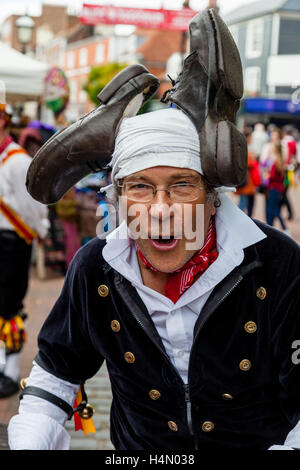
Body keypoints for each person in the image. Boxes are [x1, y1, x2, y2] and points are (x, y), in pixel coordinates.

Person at [8, 9, 300, 451]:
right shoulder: (95, 268)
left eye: (181, 186)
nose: (160, 210)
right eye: (140, 188)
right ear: (118, 197)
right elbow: (56, 371)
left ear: (210, 194)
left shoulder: (276, 262)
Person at [0, 103, 49, 398]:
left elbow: (35, 204)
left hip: (12, 241)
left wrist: (40, 232)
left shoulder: (17, 162)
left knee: (10, 306)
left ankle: (10, 370)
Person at [236, 128, 260, 217]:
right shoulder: (243, 148)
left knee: (245, 201)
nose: (252, 139)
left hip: (247, 180)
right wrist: (253, 160)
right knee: (243, 202)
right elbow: (245, 162)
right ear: (247, 137)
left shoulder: (244, 147)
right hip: (246, 180)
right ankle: (236, 218)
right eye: (251, 137)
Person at [265, 142, 288, 233]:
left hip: (274, 187)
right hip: (276, 188)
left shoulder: (276, 161)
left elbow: (274, 176)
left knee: (274, 209)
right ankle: (270, 228)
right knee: (272, 208)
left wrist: (268, 176)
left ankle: (285, 229)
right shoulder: (279, 160)